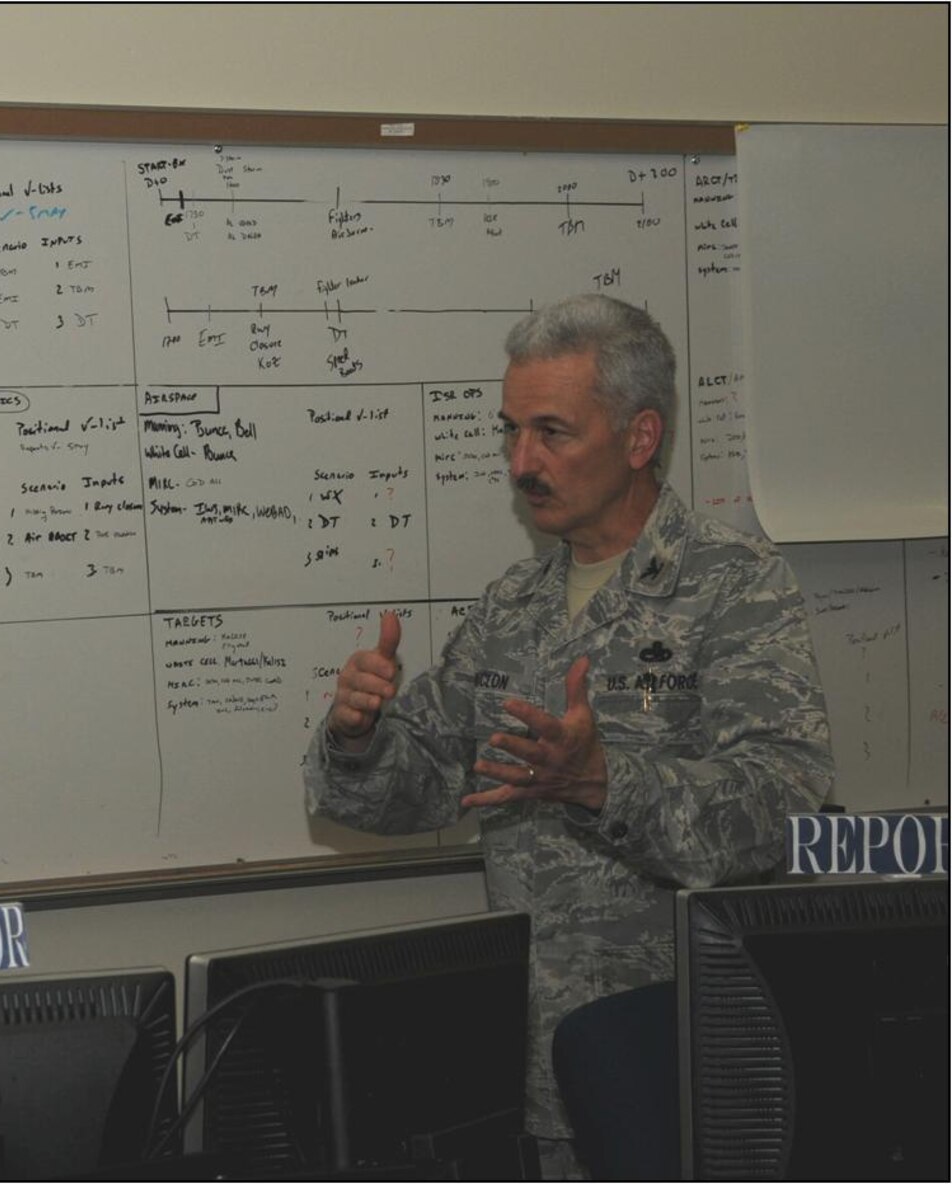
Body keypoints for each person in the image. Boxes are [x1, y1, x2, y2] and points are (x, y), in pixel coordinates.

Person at [303, 293, 833, 1175]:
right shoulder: (512, 606)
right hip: (519, 1065)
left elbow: (781, 810)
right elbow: (428, 782)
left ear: (639, 437)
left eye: (552, 432)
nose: (522, 461)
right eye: (510, 431)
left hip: (675, 1064)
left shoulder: (736, 588)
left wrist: (603, 783)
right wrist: (359, 736)